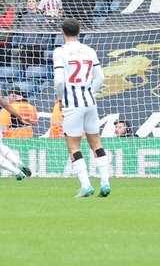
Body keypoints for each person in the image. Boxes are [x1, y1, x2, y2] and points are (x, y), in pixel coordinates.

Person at [54, 19, 112, 198]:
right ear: (79, 32)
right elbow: (100, 77)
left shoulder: (60, 51)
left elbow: (59, 81)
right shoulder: (89, 50)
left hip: (72, 104)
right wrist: (89, 91)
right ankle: (105, 183)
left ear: (62, 32)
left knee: (73, 146)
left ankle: (86, 185)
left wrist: (60, 97)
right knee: (96, 143)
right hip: (90, 102)